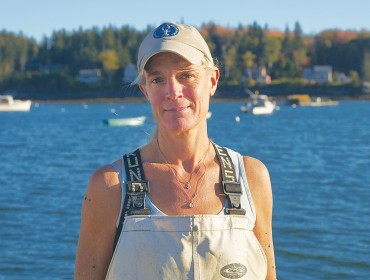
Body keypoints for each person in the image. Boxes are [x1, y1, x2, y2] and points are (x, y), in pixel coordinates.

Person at [75, 22, 277, 279]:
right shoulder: (110, 186)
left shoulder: (250, 177)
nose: (173, 92)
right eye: (157, 79)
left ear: (212, 80)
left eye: (186, 75)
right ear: (145, 90)